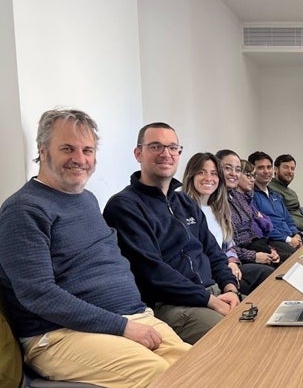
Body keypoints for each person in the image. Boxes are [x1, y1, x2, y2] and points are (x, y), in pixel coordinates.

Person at [0, 109, 190, 387]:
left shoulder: (87, 199)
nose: (80, 159)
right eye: (67, 148)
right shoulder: (23, 210)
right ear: (43, 151)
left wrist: (130, 320)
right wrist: (122, 326)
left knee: (202, 365)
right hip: (58, 336)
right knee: (163, 378)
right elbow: (39, 295)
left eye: (87, 149)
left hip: (131, 317)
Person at [103, 123, 241, 344]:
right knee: (236, 338)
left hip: (212, 293)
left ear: (179, 153)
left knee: (267, 324)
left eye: (172, 147)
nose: (166, 154)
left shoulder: (185, 202)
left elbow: (214, 252)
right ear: (138, 153)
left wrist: (230, 287)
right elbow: (153, 272)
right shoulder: (124, 206)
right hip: (171, 305)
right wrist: (209, 300)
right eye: (156, 146)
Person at [182, 152, 274, 294]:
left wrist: (232, 261)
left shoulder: (218, 207)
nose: (209, 178)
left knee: (270, 276)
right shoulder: (183, 208)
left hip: (226, 267)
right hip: (208, 274)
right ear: (191, 175)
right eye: (201, 172)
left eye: (213, 173)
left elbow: (228, 243)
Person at [217, 150, 292, 263]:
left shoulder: (242, 198)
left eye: (237, 170)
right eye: (227, 168)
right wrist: (254, 255)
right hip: (246, 252)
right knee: (288, 263)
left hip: (259, 244)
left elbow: (269, 226)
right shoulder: (218, 202)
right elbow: (231, 244)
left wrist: (296, 234)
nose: (252, 179)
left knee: (294, 259)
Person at [248, 151, 303, 249]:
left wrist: (297, 235)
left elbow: (288, 220)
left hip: (290, 237)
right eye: (261, 168)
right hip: (273, 241)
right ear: (252, 171)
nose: (266, 171)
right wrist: (288, 240)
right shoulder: (250, 196)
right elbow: (263, 226)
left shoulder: (276, 195)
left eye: (269, 167)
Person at [268, 154, 303, 239]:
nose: (290, 171)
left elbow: (300, 213)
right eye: (286, 167)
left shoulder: (291, 192)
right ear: (276, 169)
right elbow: (286, 217)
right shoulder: (271, 190)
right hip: (292, 232)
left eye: (292, 168)